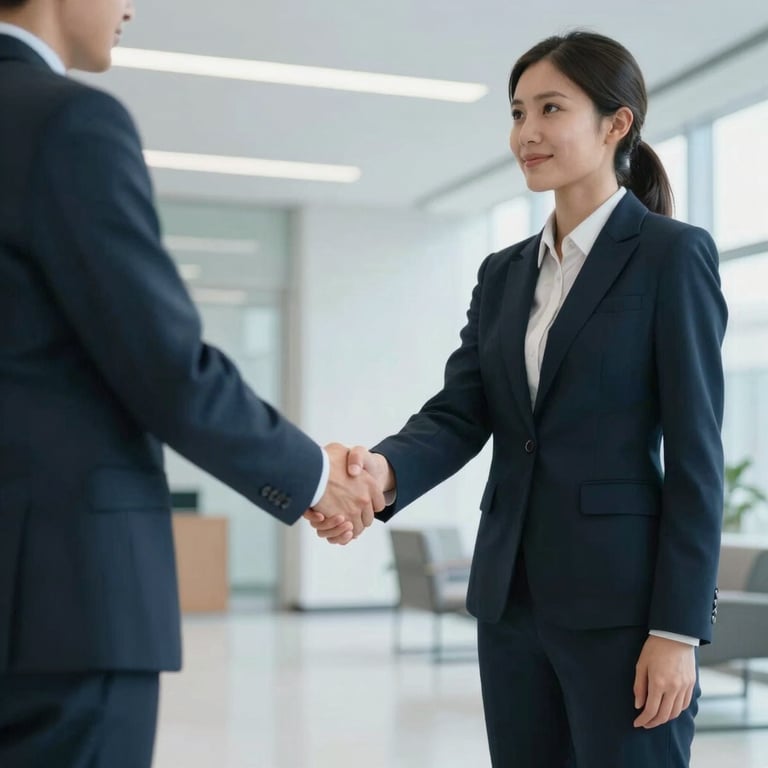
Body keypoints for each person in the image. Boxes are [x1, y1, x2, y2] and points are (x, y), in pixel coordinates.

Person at [307, 30, 727, 768]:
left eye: (550, 108)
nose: (525, 133)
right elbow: (461, 412)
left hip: (623, 612)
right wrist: (379, 472)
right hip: (510, 602)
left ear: (616, 123)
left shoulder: (671, 255)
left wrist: (678, 630)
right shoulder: (503, 273)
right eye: (517, 112)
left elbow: (698, 454)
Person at [0, 1, 383, 766]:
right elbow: (162, 363)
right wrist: (314, 476)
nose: (129, 6)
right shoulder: (66, 121)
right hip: (61, 599)